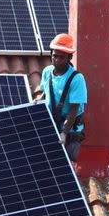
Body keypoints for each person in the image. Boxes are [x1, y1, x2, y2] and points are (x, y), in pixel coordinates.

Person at [34, 33, 87, 162]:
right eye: (55, 56)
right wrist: (38, 100)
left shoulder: (77, 79)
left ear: (69, 57)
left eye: (62, 57)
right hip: (51, 124)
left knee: (64, 165)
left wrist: (64, 133)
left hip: (70, 129)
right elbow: (45, 91)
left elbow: (74, 109)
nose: (57, 60)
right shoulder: (47, 72)